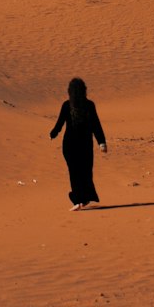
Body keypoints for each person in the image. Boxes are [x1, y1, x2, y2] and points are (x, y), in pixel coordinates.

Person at [49, 77, 107, 210]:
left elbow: (59, 124)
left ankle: (80, 199)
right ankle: (80, 199)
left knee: (75, 172)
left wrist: (53, 133)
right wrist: (102, 143)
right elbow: (96, 125)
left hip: (70, 145)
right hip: (84, 145)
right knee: (84, 171)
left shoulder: (69, 105)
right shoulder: (88, 105)